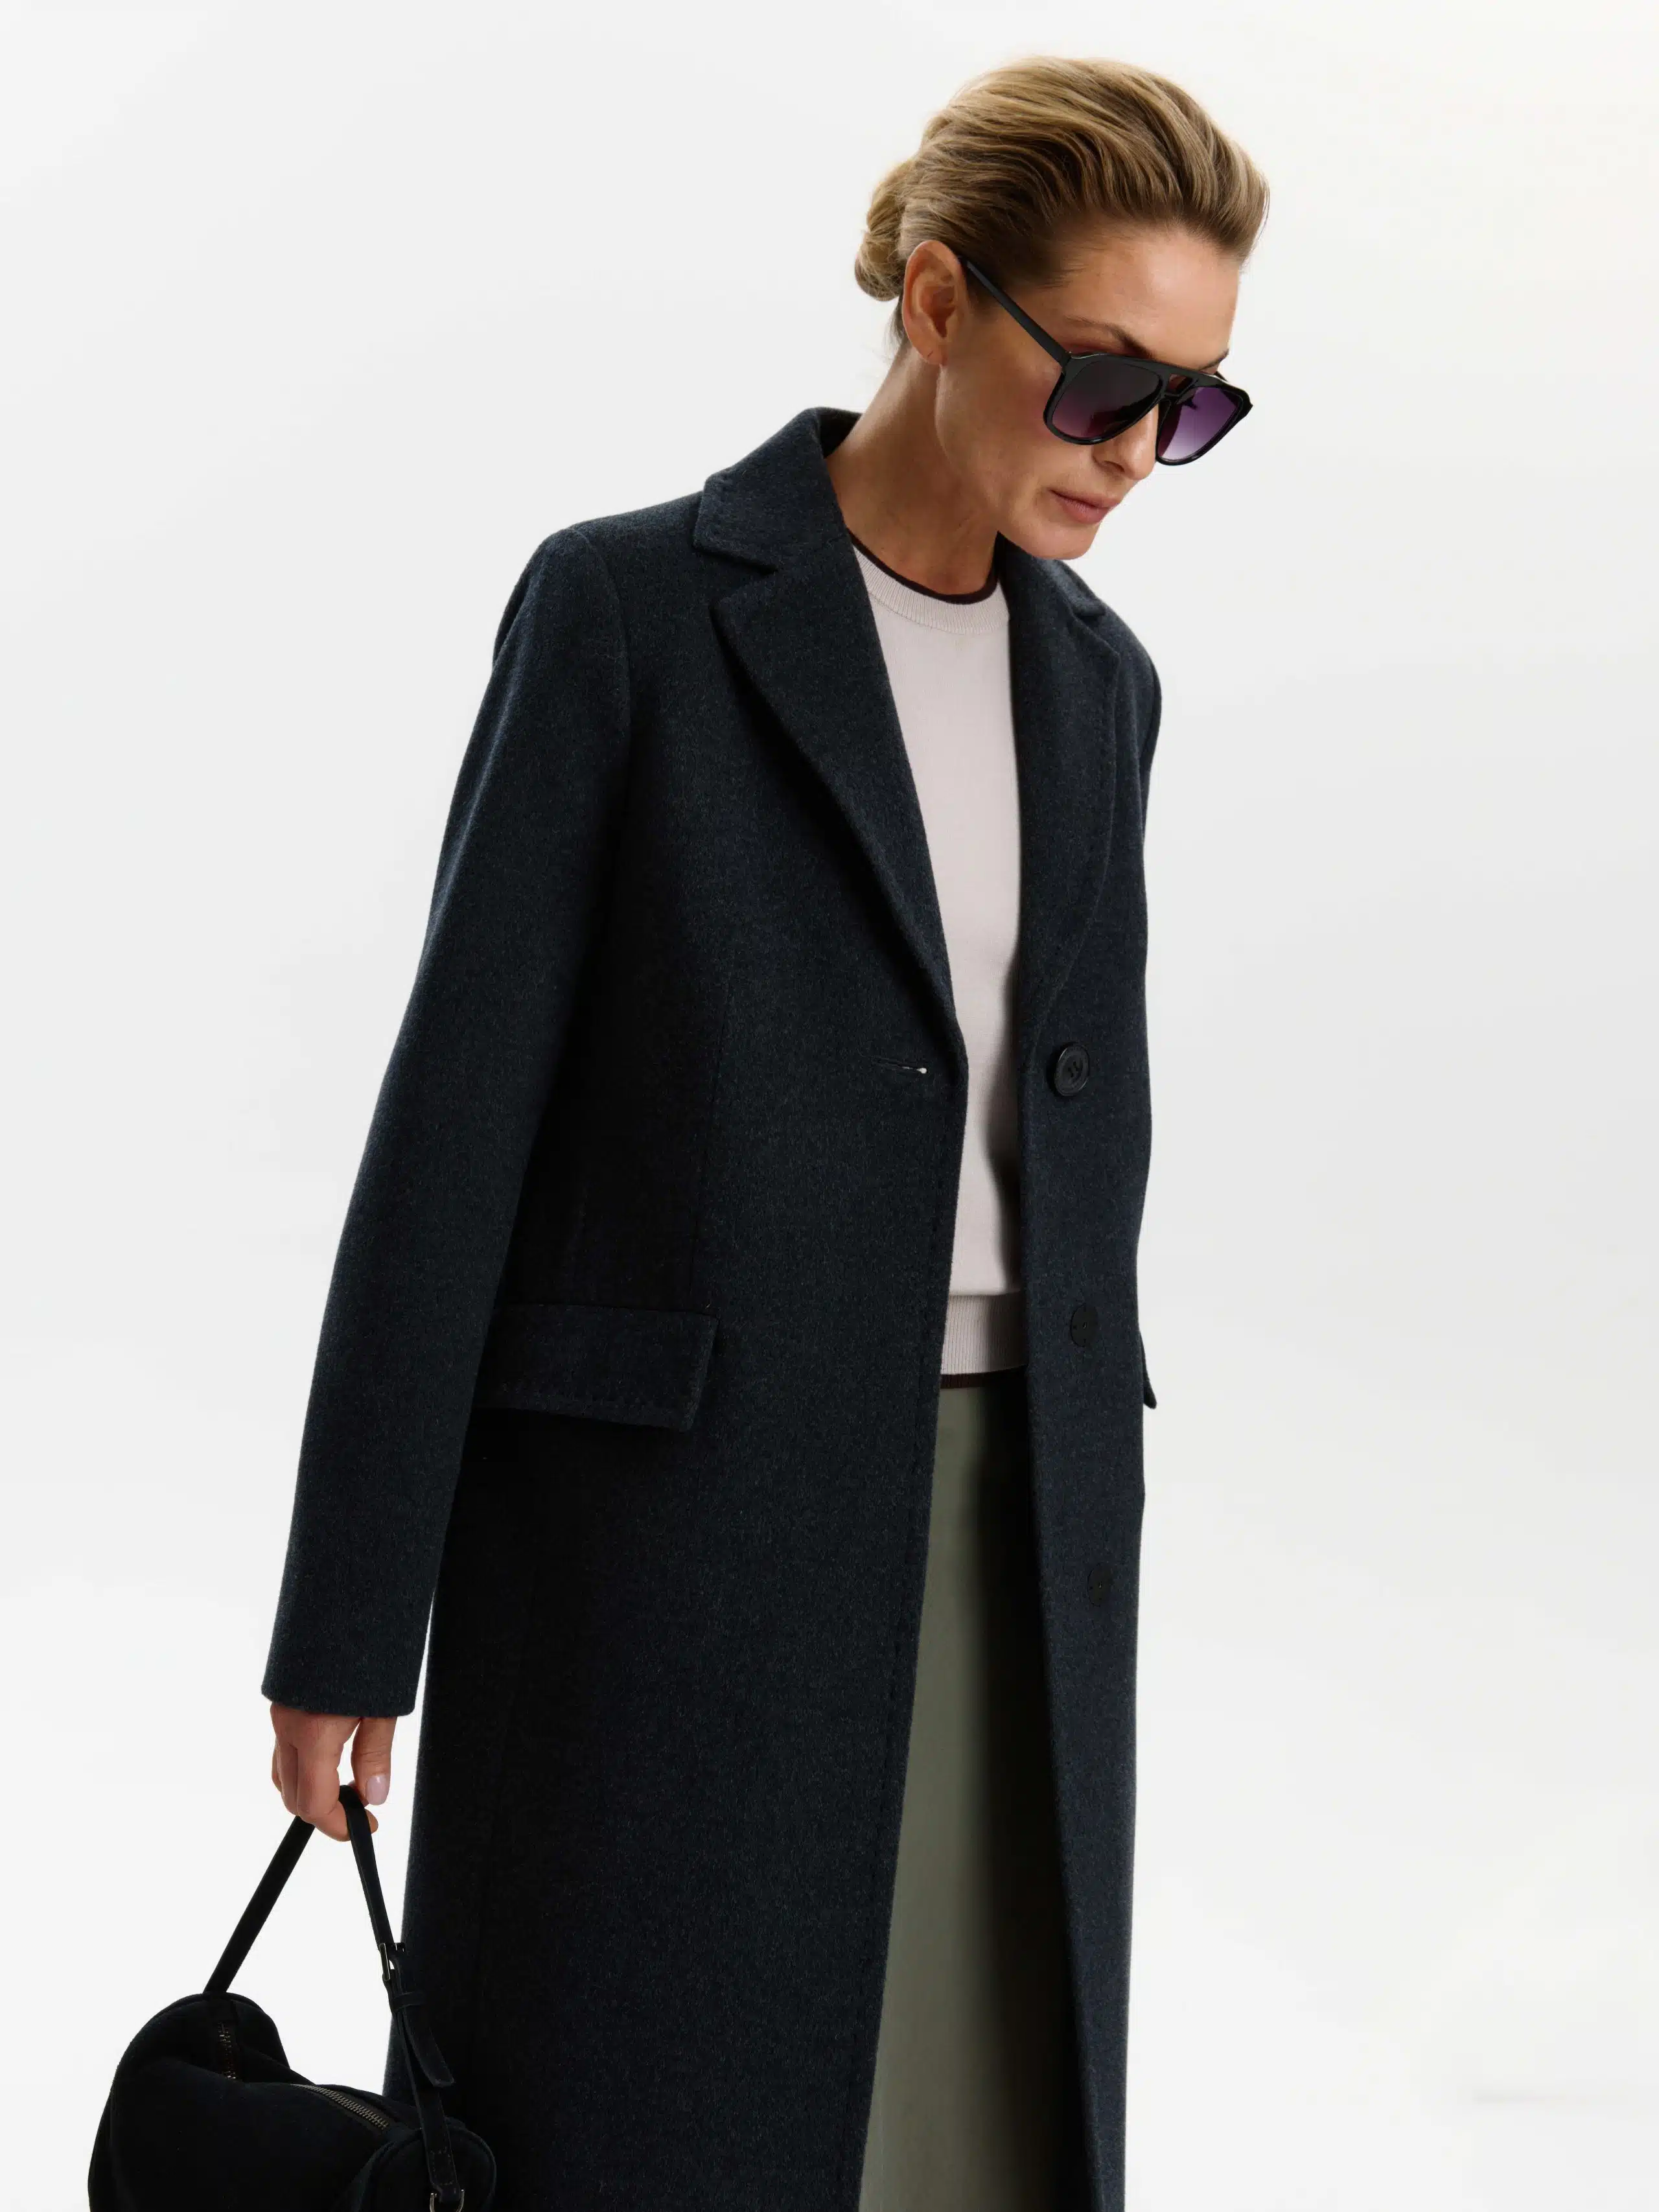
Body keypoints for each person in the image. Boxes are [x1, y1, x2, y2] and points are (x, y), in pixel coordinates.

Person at [261, 52, 1268, 2212]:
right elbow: (453, 1131)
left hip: (1018, 1507)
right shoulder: (630, 613)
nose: (1135, 453)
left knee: (978, 2119)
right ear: (937, 301)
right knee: (666, 2116)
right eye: (1106, 380)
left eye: (1192, 407)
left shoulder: (1104, 686)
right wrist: (350, 1612)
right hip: (674, 1526)